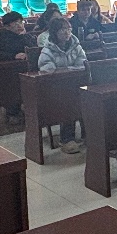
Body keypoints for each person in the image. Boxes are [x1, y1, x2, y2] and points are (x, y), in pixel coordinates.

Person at [37, 16, 87, 154]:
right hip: (54, 88)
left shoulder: (76, 46)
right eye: (63, 29)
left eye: (69, 29)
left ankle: (87, 134)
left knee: (89, 97)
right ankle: (66, 139)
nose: (67, 32)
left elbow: (83, 64)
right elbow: (48, 71)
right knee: (68, 101)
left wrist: (68, 71)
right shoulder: (47, 50)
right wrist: (68, 72)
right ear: (54, 32)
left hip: (75, 84)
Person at [0, 12, 37, 125]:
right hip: (7, 71)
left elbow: (34, 49)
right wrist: (13, 56)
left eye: (21, 22)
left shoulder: (26, 36)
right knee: (11, 82)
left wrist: (23, 37)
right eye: (16, 23)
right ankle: (12, 112)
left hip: (26, 69)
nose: (20, 25)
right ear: (7, 26)